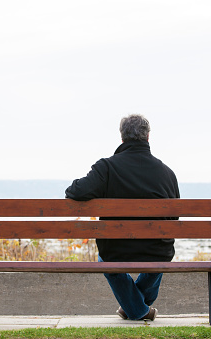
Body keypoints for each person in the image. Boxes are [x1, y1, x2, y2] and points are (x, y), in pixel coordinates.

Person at [65, 114, 180, 321]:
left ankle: (137, 310)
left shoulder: (106, 168)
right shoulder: (167, 173)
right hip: (158, 252)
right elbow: (174, 219)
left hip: (115, 251)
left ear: (122, 137)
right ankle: (139, 308)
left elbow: (75, 192)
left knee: (106, 261)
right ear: (148, 137)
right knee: (160, 257)